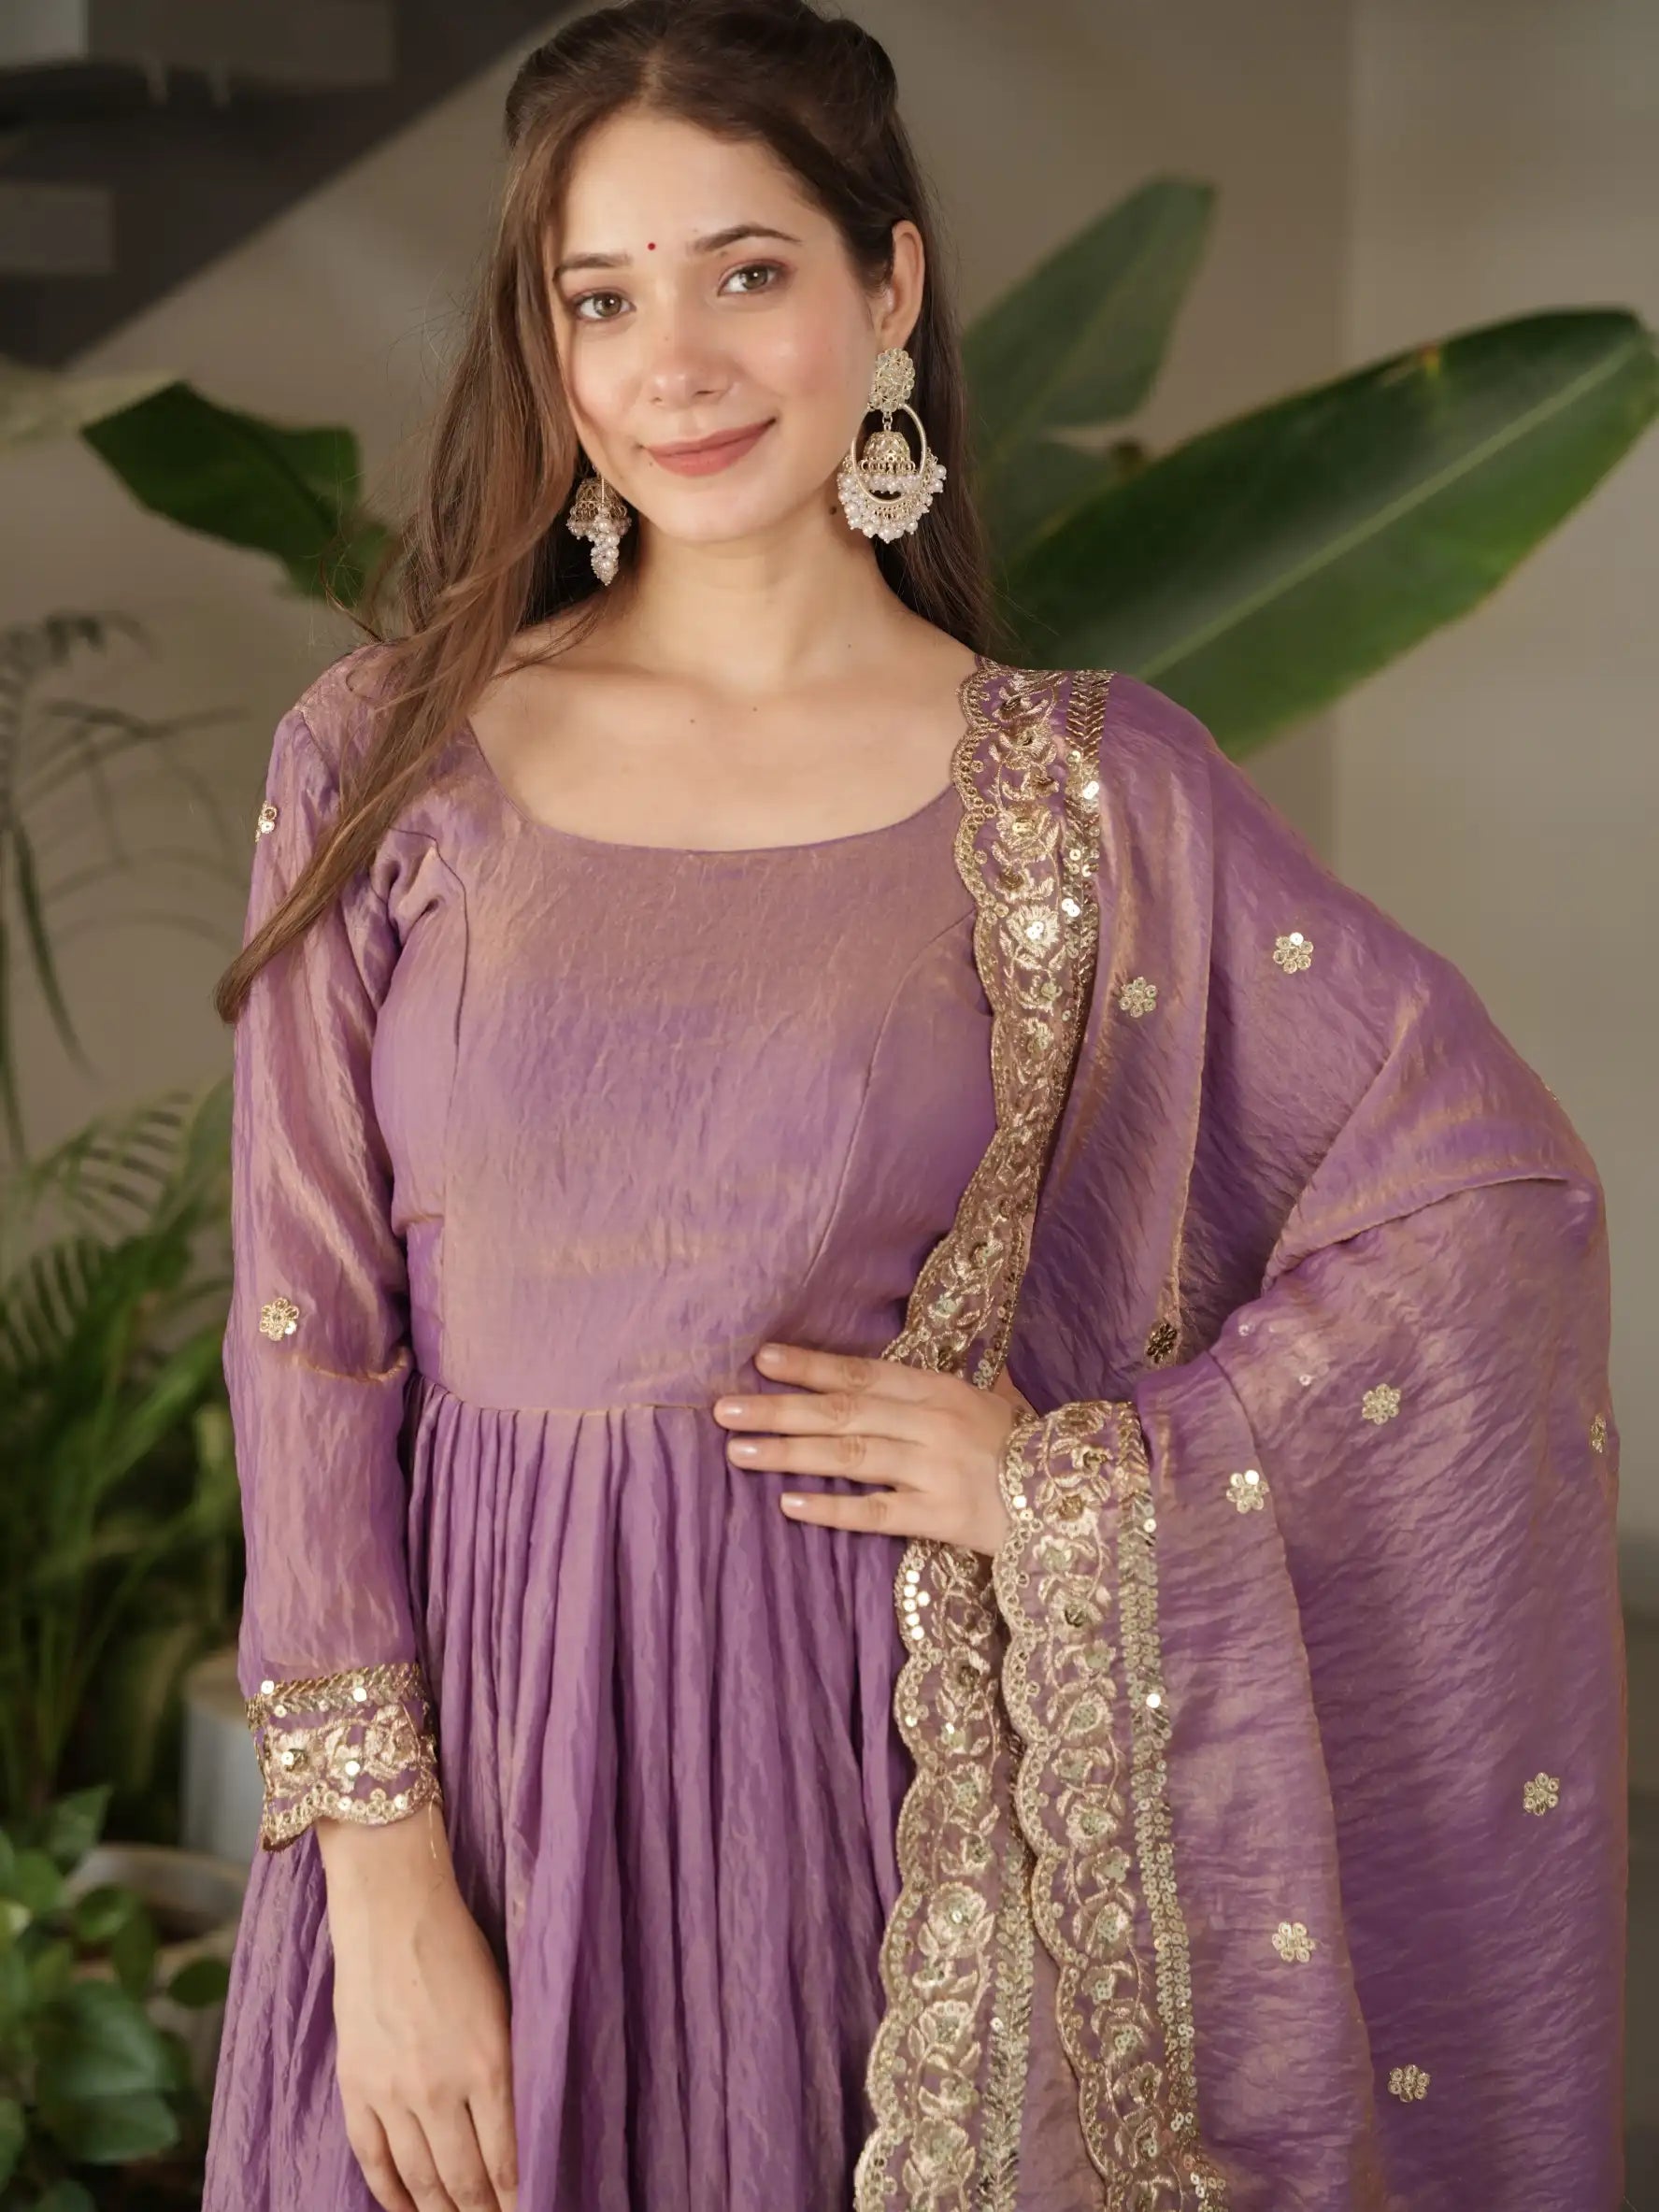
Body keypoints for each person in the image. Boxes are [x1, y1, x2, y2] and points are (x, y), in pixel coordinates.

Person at [202, 2, 1627, 2206]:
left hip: (859, 1806)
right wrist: (380, 1881)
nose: (674, 364)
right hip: (464, 1791)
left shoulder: (1082, 791)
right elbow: (309, 1337)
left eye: (746, 272)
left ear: (890, 290)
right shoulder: (390, 752)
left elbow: (1485, 1198)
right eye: (602, 297)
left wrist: (1076, 1478)